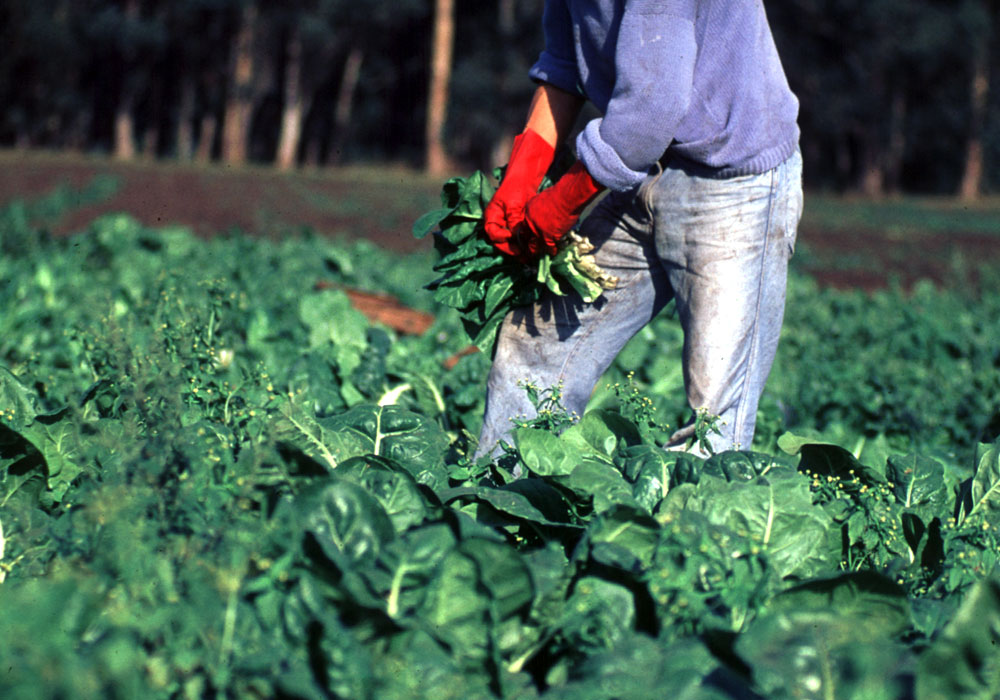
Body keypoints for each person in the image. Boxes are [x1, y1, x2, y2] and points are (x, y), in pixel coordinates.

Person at [475, 0, 803, 459]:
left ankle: (685, 530)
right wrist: (524, 171)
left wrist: (562, 202)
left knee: (713, 423)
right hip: (638, 171)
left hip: (732, 185)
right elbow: (565, 64)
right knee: (533, 346)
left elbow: (650, 112)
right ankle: (502, 503)